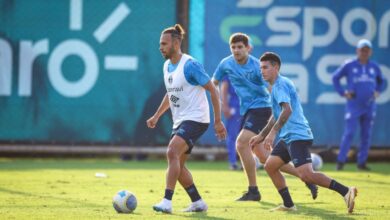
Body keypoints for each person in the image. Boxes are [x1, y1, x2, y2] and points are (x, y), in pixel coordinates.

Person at [212, 33, 317, 201]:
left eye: (240, 47)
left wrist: (279, 106)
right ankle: (305, 176)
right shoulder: (225, 63)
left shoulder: (256, 66)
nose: (236, 50)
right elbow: (214, 82)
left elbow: (273, 85)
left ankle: (253, 191)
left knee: (241, 143)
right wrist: (214, 96)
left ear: (248, 48)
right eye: (233, 47)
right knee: (263, 157)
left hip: (262, 108)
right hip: (246, 111)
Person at [250, 52, 357, 213]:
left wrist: (272, 133)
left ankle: (346, 191)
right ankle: (288, 204)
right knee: (270, 166)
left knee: (307, 175)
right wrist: (261, 135)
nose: (262, 71)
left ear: (276, 67)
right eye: (261, 68)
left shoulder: (280, 85)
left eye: (265, 67)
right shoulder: (275, 86)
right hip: (288, 137)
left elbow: (287, 110)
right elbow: (276, 115)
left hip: (297, 135)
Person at [147, 24, 227, 214]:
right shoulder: (166, 65)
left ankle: (167, 201)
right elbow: (170, 93)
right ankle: (198, 202)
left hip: (197, 118)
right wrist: (157, 115)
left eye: (164, 44)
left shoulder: (190, 65)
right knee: (178, 165)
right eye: (160, 44)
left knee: (171, 152)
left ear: (176, 42)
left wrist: (218, 121)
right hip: (180, 120)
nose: (161, 47)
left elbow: (213, 91)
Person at [332, 39, 386, 171]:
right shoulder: (349, 65)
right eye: (362, 50)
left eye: (367, 50)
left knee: (366, 135)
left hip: (369, 105)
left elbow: (383, 82)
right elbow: (335, 77)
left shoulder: (374, 67)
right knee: (349, 133)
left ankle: (361, 163)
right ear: (357, 51)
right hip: (354, 105)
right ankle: (340, 161)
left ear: (370, 52)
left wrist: (378, 91)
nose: (364, 52)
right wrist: (343, 92)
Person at [221, 76, 242, 170]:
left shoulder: (251, 66)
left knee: (250, 136)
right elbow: (224, 88)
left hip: (250, 107)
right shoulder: (229, 68)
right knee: (232, 136)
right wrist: (225, 106)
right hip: (235, 107)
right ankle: (233, 162)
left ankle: (250, 162)